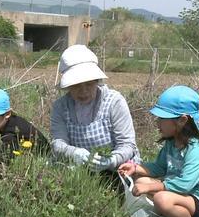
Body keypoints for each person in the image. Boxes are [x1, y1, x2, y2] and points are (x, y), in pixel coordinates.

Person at [118, 85, 199, 217]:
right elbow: (159, 168)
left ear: (182, 120)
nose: (157, 122)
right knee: (141, 182)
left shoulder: (195, 150)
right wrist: (135, 168)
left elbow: (185, 184)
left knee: (161, 198)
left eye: (162, 118)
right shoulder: (172, 144)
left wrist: (152, 187)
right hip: (182, 196)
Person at [50, 44, 140, 172]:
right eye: (76, 86)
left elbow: (127, 144)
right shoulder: (60, 107)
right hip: (80, 168)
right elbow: (58, 143)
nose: (83, 91)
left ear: (97, 81)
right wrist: (73, 152)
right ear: (68, 86)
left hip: (118, 168)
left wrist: (111, 160)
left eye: (89, 84)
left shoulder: (114, 102)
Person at [0, 88, 48, 154]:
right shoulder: (11, 122)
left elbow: (6, 158)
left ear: (7, 114)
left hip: (43, 157)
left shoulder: (11, 131)